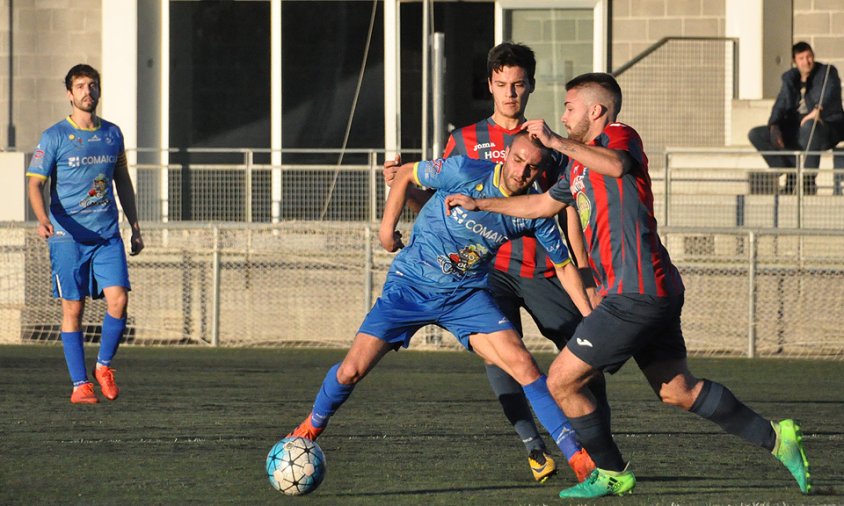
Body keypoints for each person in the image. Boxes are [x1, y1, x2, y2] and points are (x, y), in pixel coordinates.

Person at [445, 73, 812, 498]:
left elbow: (617, 166)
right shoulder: (580, 163)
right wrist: (481, 202)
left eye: (569, 107)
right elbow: (543, 204)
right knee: (678, 390)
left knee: (562, 380)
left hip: (635, 292)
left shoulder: (620, 136)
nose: (562, 116)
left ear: (596, 111)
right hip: (649, 290)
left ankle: (611, 471)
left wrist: (557, 142)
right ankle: (776, 437)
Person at [287, 132, 595, 485]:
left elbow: (565, 267)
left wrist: (589, 314)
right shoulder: (464, 170)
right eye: (517, 160)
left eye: (532, 167)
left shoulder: (534, 212)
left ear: (540, 172)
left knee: (524, 365)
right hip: (410, 286)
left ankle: (577, 457)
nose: (521, 171)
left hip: (465, 297)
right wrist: (387, 230)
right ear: (505, 155)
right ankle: (309, 429)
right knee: (351, 371)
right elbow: (405, 174)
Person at [383, 42, 598, 483]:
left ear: (531, 86)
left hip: (539, 267)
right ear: (490, 86)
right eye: (502, 85)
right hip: (484, 272)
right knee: (503, 360)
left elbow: (566, 207)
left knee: (581, 353)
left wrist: (585, 266)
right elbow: (443, 203)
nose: (510, 94)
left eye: (519, 85)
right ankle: (534, 447)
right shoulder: (464, 139)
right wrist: (403, 188)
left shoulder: (548, 145)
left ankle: (599, 446)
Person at [26, 64, 144, 404]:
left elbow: (122, 181)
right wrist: (41, 218)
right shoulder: (54, 137)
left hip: (107, 234)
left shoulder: (112, 134)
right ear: (69, 93)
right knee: (73, 309)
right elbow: (36, 183)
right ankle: (80, 385)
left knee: (119, 299)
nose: (87, 91)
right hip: (67, 236)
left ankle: (104, 366)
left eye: (92, 85)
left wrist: (135, 227)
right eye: (80, 86)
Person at [748, 41, 844, 194]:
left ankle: (807, 181)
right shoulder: (790, 79)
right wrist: (774, 125)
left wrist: (818, 109)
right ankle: (789, 171)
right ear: (794, 61)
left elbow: (830, 91)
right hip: (797, 128)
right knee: (756, 134)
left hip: (825, 126)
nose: (807, 61)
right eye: (801, 58)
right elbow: (781, 103)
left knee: (809, 125)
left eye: (809, 57)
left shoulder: (826, 72)